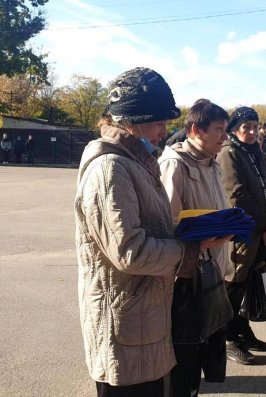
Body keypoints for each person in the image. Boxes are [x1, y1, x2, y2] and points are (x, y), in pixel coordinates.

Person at [74, 67, 201, 397]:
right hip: (124, 326)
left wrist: (190, 233)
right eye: (158, 121)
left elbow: (150, 228)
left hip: (142, 318)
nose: (164, 130)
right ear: (131, 120)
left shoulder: (136, 161)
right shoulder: (110, 168)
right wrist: (187, 252)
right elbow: (129, 250)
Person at [158, 99, 233, 396]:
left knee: (203, 348)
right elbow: (165, 226)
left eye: (225, 130)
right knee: (184, 355)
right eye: (218, 129)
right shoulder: (174, 165)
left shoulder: (213, 164)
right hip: (185, 279)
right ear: (195, 130)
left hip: (211, 270)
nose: (224, 137)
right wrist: (197, 241)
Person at [217, 106, 266, 365]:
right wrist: (263, 228)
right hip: (245, 234)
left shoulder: (255, 151)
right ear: (235, 129)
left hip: (264, 231)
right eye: (247, 127)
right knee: (234, 286)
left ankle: (243, 331)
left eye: (255, 126)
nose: (253, 131)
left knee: (249, 285)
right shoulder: (229, 153)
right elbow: (238, 197)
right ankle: (229, 338)